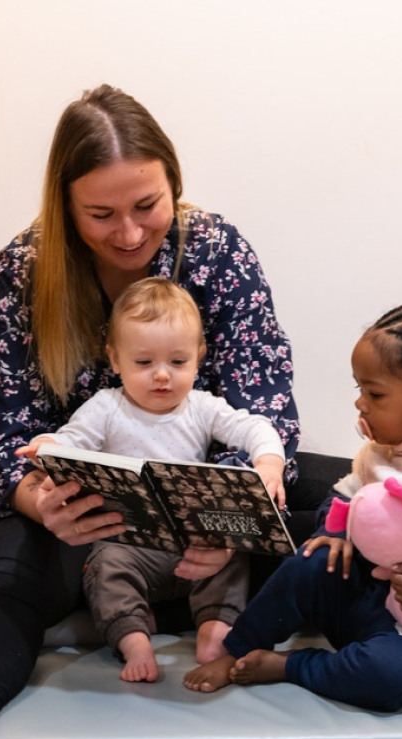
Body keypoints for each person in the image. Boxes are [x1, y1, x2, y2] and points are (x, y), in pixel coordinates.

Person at [0, 84, 300, 739]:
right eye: (101, 214)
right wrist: (39, 502)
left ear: (174, 186)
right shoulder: (26, 268)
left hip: (205, 519)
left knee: (340, 505)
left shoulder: (217, 252)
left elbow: (265, 406)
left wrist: (222, 521)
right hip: (75, 523)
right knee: (7, 567)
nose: (129, 234)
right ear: (65, 206)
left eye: (147, 206)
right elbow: (3, 432)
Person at [183, 297, 402, 712]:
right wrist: (332, 532)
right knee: (306, 562)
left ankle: (292, 666)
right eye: (359, 388)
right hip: (353, 590)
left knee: (391, 678)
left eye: (374, 393)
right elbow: (341, 497)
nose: (360, 403)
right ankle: (238, 648)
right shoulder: (380, 453)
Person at [17, 277, 287, 683]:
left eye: (177, 362)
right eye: (144, 363)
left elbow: (255, 426)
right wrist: (48, 447)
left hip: (193, 544)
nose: (162, 376)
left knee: (234, 552)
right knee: (104, 564)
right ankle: (133, 640)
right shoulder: (106, 407)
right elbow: (72, 439)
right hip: (130, 544)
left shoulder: (201, 407)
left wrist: (269, 463)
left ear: (198, 358)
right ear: (115, 360)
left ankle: (215, 629)